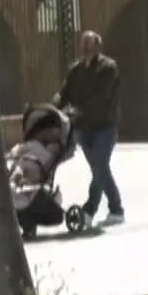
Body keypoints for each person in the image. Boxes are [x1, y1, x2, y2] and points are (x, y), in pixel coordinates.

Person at [54, 30, 125, 228]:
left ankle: (89, 211)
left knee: (100, 166)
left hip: (104, 127)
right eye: (83, 44)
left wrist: (79, 109)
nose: (85, 48)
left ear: (97, 46)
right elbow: (65, 92)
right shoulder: (76, 70)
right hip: (84, 129)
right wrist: (55, 104)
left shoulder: (108, 68)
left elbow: (102, 96)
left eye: (89, 44)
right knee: (100, 169)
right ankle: (117, 209)